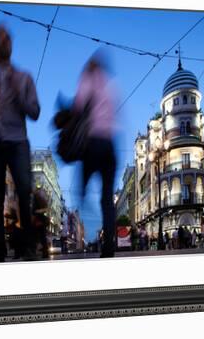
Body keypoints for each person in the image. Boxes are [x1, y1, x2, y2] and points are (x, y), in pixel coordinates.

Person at [0, 24, 40, 262]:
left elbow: (35, 112)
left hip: (17, 140)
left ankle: (29, 248)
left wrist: (17, 92)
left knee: (24, 192)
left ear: (11, 43)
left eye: (7, 39)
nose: (4, 43)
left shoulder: (24, 78)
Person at [74, 51, 118, 258]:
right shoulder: (111, 85)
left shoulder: (86, 81)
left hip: (92, 142)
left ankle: (82, 194)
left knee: (81, 183)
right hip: (110, 144)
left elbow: (78, 108)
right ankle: (109, 246)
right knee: (107, 199)